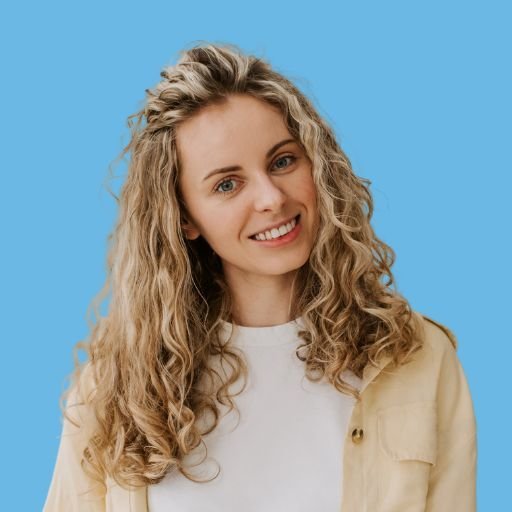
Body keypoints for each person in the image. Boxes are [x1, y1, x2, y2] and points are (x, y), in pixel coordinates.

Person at [44, 43, 477, 512]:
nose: (271, 198)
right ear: (184, 217)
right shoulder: (113, 388)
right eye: (227, 184)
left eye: (283, 161)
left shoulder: (419, 358)